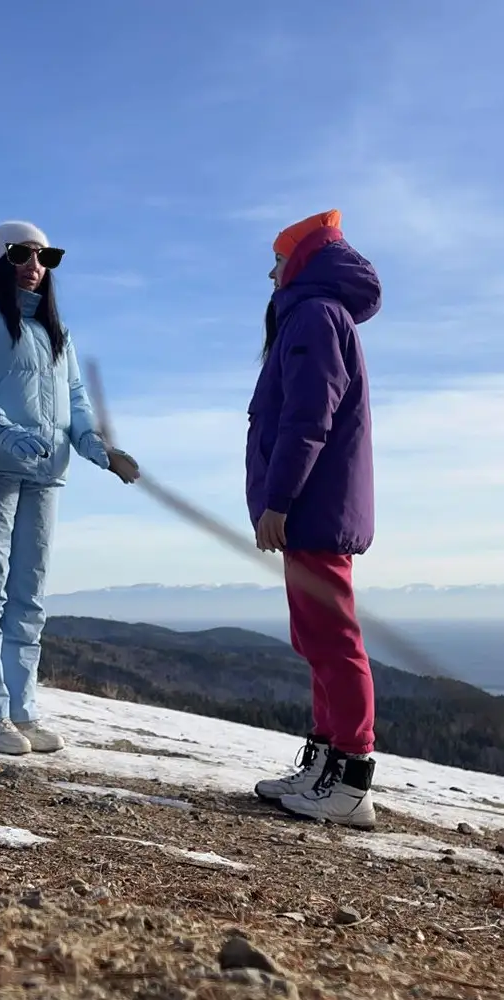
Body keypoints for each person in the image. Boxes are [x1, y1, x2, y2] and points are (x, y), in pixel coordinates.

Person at [0, 220, 139, 756]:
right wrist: (0, 430)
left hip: (44, 474)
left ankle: (19, 710)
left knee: (28, 598)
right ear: (0, 257)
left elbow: (75, 403)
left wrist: (100, 450)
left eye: (47, 257)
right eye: (23, 254)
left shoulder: (56, 332)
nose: (35, 265)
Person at [245, 210, 381, 829]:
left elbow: (306, 419)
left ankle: (350, 778)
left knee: (333, 640)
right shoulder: (315, 315)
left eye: (277, 259)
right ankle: (325, 762)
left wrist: (279, 501)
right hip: (315, 508)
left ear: (299, 261)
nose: (270, 272)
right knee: (316, 639)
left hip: (313, 508)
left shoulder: (314, 315)